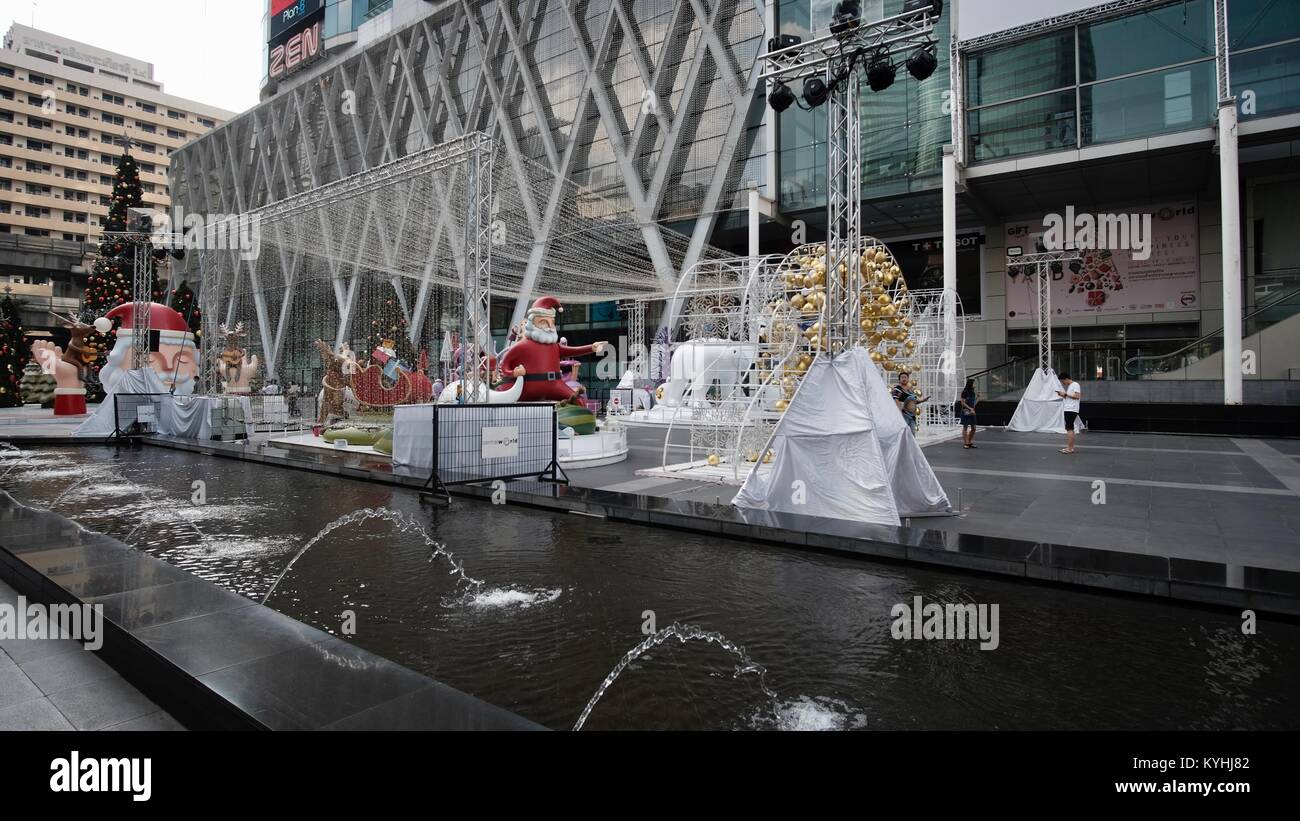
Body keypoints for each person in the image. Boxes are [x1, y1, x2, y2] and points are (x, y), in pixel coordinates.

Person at [1055, 372, 1081, 454]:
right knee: (1070, 428)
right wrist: (1063, 395)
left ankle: (1069, 449)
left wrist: (1065, 394)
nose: (1063, 383)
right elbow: (1072, 397)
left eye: (1063, 381)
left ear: (1066, 379)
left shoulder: (1075, 384)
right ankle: (1070, 447)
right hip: (1069, 409)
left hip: (1071, 409)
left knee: (1069, 428)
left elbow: (1077, 396)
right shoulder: (1071, 386)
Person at [959, 378, 978, 449]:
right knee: (965, 427)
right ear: (970, 384)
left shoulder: (972, 392)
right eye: (974, 383)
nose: (975, 385)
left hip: (972, 411)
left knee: (974, 428)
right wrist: (970, 409)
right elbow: (962, 403)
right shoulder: (965, 392)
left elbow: (973, 404)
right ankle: (966, 443)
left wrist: (978, 399)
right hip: (965, 411)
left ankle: (969, 442)